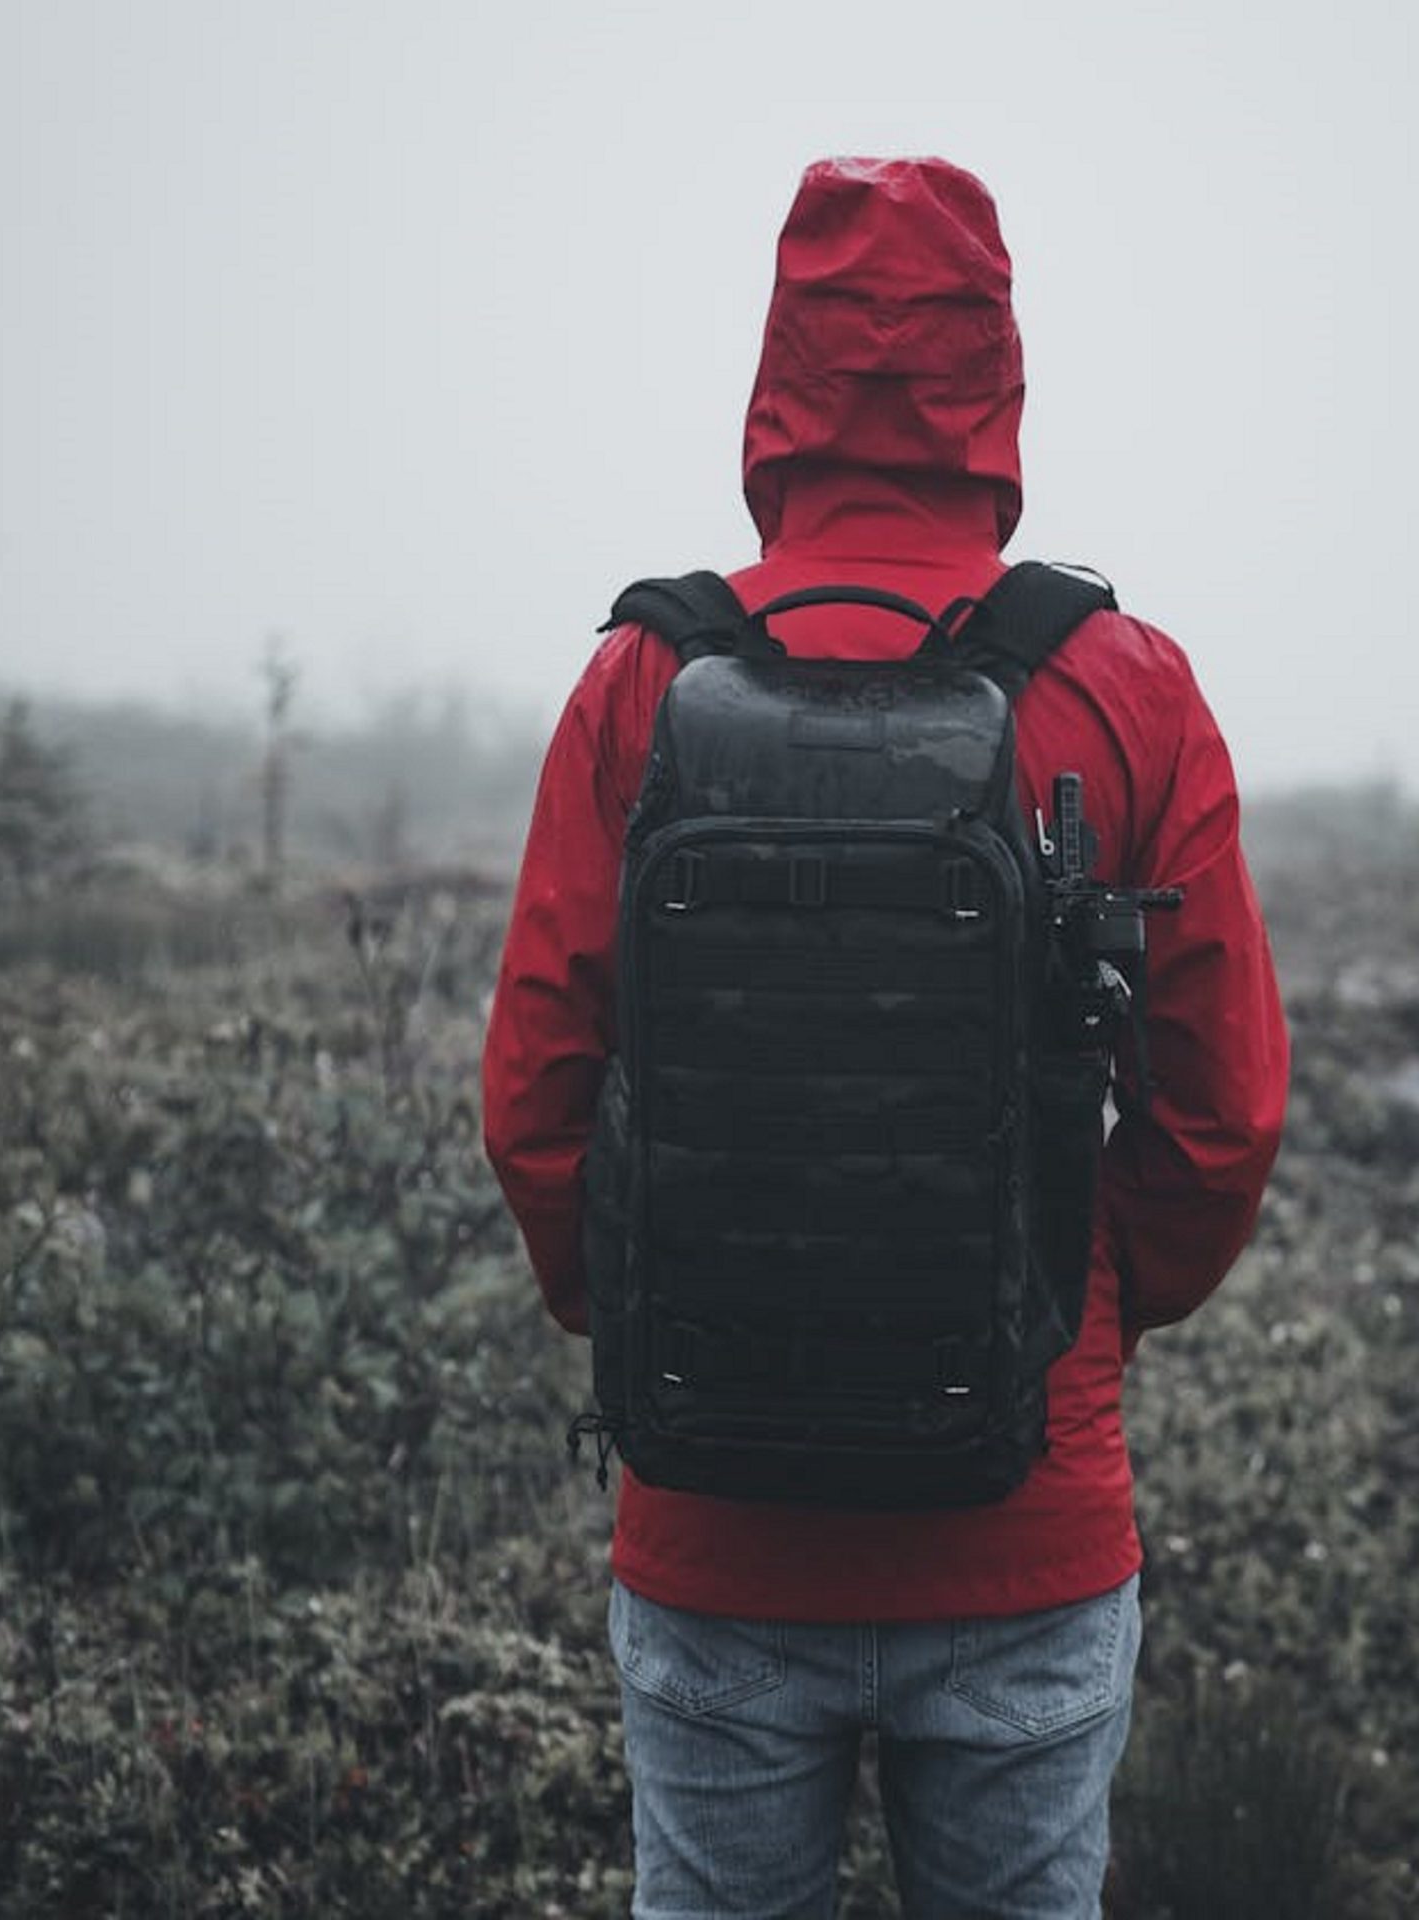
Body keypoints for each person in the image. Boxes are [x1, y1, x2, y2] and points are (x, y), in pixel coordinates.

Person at [482, 154, 1289, 1918]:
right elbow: (1221, 1123)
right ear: (998, 375)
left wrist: (647, 1304)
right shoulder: (1124, 684)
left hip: (714, 1524)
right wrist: (1069, 1305)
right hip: (1030, 1515)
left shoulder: (641, 684)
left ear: (777, 374)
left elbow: (536, 1097)